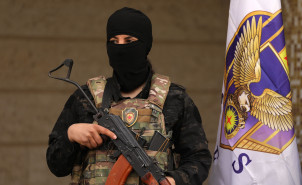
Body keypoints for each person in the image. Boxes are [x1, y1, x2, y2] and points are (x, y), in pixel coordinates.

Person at [46, 7, 212, 185]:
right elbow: (56, 166)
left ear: (145, 44)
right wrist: (71, 135)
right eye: (114, 41)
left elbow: (199, 159)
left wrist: (172, 181)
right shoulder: (85, 97)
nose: (121, 47)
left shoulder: (174, 98)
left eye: (129, 40)